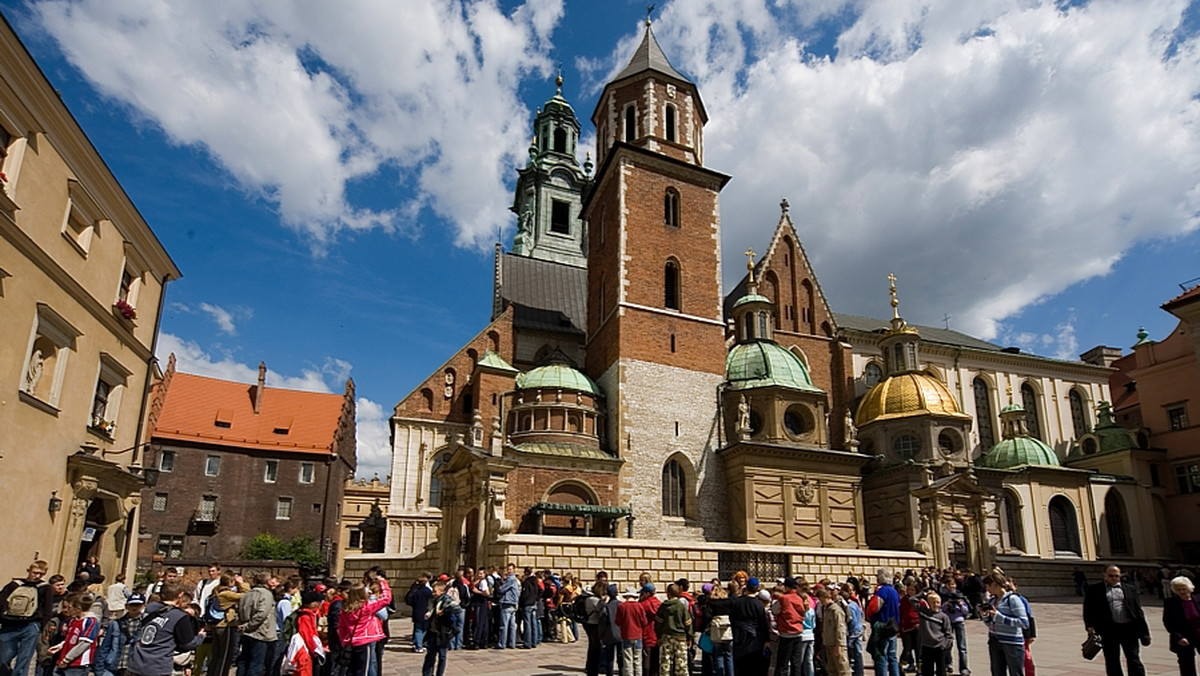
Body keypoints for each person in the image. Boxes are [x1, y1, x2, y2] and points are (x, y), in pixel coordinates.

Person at [1084, 565, 1151, 676]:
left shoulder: (1130, 589)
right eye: (1111, 576)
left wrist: (1145, 632)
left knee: (1133, 657)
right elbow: (1088, 609)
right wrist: (1089, 626)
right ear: (1104, 575)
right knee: (1112, 659)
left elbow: (1138, 611)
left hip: (1129, 629)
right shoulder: (1095, 589)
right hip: (1108, 629)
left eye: (1117, 576)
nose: (1114, 578)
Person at [128, 583, 206, 676]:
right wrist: (200, 637)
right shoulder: (179, 616)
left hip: (136, 664)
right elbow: (187, 644)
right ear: (180, 595)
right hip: (158, 666)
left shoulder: (150, 608)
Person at [0, 560, 53, 676]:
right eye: (35, 573)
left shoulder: (45, 588)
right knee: (3, 659)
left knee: (23, 660)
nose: (37, 576)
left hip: (30, 626)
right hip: (9, 624)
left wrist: (41, 627)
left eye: (41, 574)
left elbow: (47, 610)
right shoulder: (14, 585)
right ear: (28, 571)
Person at [336, 578, 391, 676]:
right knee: (364, 669)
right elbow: (386, 599)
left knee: (353, 669)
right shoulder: (366, 607)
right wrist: (383, 583)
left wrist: (344, 641)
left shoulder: (345, 609)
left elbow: (341, 627)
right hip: (365, 641)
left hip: (352, 641)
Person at [979, 572, 1026, 676]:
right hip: (995, 641)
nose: (987, 589)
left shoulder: (1013, 599)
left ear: (995, 584)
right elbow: (991, 623)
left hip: (1012, 643)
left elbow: (1023, 622)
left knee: (1016, 673)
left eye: (988, 586)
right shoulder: (992, 600)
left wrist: (999, 616)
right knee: (997, 672)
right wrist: (985, 616)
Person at [235, 573, 277, 676]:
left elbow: (238, 611)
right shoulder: (266, 594)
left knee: (243, 661)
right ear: (267, 582)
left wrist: (242, 625)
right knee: (255, 664)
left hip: (246, 632)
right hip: (260, 633)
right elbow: (262, 614)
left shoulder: (247, 594)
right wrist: (249, 625)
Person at [95, 593, 146, 676]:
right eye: (132, 605)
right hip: (116, 665)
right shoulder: (116, 623)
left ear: (144, 606)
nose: (134, 607)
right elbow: (105, 646)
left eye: (138, 605)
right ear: (127, 606)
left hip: (135, 667)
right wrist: (99, 669)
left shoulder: (146, 624)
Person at [867, 568, 902, 676]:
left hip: (882, 626)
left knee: (881, 655)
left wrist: (869, 616)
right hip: (893, 626)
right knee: (892, 656)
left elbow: (873, 608)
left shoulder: (882, 591)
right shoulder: (894, 591)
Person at [1163, 575, 1200, 676]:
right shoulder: (1170, 603)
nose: (1181, 592)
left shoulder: (1198, 599)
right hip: (1183, 638)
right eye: (1178, 589)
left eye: (1183, 589)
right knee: (1186, 666)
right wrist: (1178, 637)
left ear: (1189, 587)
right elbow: (1168, 622)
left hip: (1198, 634)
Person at [55, 593, 99, 676]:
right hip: (63, 660)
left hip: (77, 664)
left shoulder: (90, 621)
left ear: (78, 609)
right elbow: (70, 639)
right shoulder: (73, 620)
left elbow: (84, 643)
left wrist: (67, 659)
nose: (68, 610)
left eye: (70, 607)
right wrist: (60, 646)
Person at [421, 581, 457, 676]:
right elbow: (429, 610)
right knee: (430, 655)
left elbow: (455, 610)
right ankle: (427, 674)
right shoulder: (432, 600)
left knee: (442, 656)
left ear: (441, 591)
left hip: (442, 633)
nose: (433, 593)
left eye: (434, 591)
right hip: (432, 632)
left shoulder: (447, 601)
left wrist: (444, 612)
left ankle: (440, 674)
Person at [774, 577, 807, 676]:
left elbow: (775, 610)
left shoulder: (784, 598)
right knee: (796, 662)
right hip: (798, 633)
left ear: (786, 587)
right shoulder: (799, 598)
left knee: (783, 662)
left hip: (786, 632)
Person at [656, 584, 691, 676]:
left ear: (668, 593)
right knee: (681, 663)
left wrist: (658, 636)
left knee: (665, 662)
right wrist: (689, 636)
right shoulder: (681, 606)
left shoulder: (663, 606)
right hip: (680, 637)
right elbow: (688, 622)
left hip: (666, 636)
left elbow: (658, 622)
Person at [917, 592, 951, 676]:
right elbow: (912, 600)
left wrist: (944, 645)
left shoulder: (943, 616)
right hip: (927, 646)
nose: (936, 604)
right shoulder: (923, 614)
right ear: (928, 603)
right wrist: (924, 594)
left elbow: (949, 634)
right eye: (933, 602)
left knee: (941, 670)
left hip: (939, 646)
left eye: (938, 602)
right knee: (927, 670)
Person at [940, 585, 970, 676]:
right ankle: (948, 664)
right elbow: (942, 610)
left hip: (959, 623)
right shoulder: (946, 603)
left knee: (962, 647)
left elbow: (966, 612)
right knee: (948, 645)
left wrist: (960, 605)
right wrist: (947, 604)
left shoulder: (961, 602)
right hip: (949, 623)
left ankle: (964, 668)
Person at [820, 588, 851, 676]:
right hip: (829, 642)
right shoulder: (826, 609)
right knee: (832, 670)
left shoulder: (836, 610)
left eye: (822, 600)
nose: (821, 602)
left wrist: (839, 644)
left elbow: (840, 628)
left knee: (842, 669)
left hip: (837, 643)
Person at [615, 589, 645, 676]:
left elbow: (618, 621)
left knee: (627, 660)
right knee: (638, 660)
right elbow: (644, 622)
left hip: (626, 635)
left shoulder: (622, 606)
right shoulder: (639, 606)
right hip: (638, 635)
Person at [405, 574, 432, 653]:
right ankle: (419, 644)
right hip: (426, 612)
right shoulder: (428, 591)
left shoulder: (416, 592)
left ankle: (418, 645)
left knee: (418, 630)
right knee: (424, 629)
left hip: (417, 612)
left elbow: (411, 601)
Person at [639, 584, 661, 676]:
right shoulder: (659, 603)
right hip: (657, 635)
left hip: (646, 634)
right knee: (656, 661)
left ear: (647, 593)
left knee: (646, 661)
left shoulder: (643, 604)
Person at [843, 585, 866, 676]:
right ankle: (859, 672)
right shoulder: (855, 603)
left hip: (853, 631)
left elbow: (851, 620)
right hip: (859, 629)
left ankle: (855, 671)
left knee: (851, 652)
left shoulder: (849, 606)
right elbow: (861, 613)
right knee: (858, 652)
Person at [496, 567, 519, 651]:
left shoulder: (510, 579)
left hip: (507, 603)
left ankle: (502, 643)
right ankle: (512, 643)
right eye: (507, 569)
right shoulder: (516, 580)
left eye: (510, 569)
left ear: (513, 570)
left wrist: (502, 582)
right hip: (513, 603)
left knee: (504, 625)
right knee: (512, 625)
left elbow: (502, 589)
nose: (508, 571)